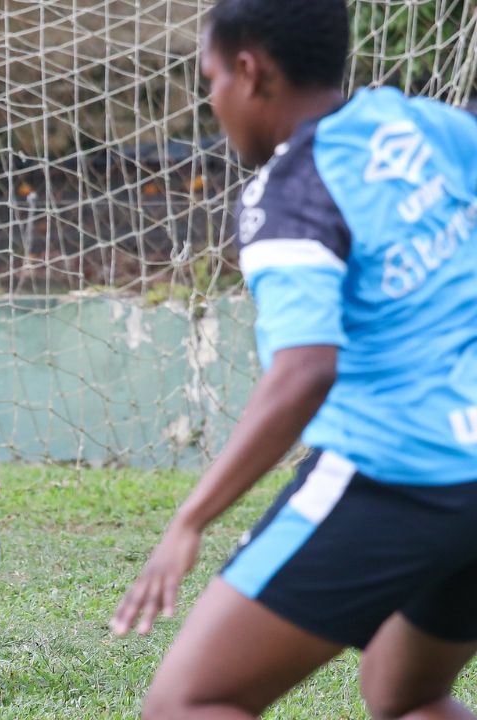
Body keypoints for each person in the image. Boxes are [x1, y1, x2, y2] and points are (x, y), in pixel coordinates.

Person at [109, 0, 477, 717]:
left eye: (210, 78)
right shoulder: (431, 125)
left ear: (251, 72)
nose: (211, 101)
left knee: (185, 703)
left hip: (400, 472)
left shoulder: (293, 190)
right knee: (405, 692)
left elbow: (305, 371)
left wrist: (189, 520)